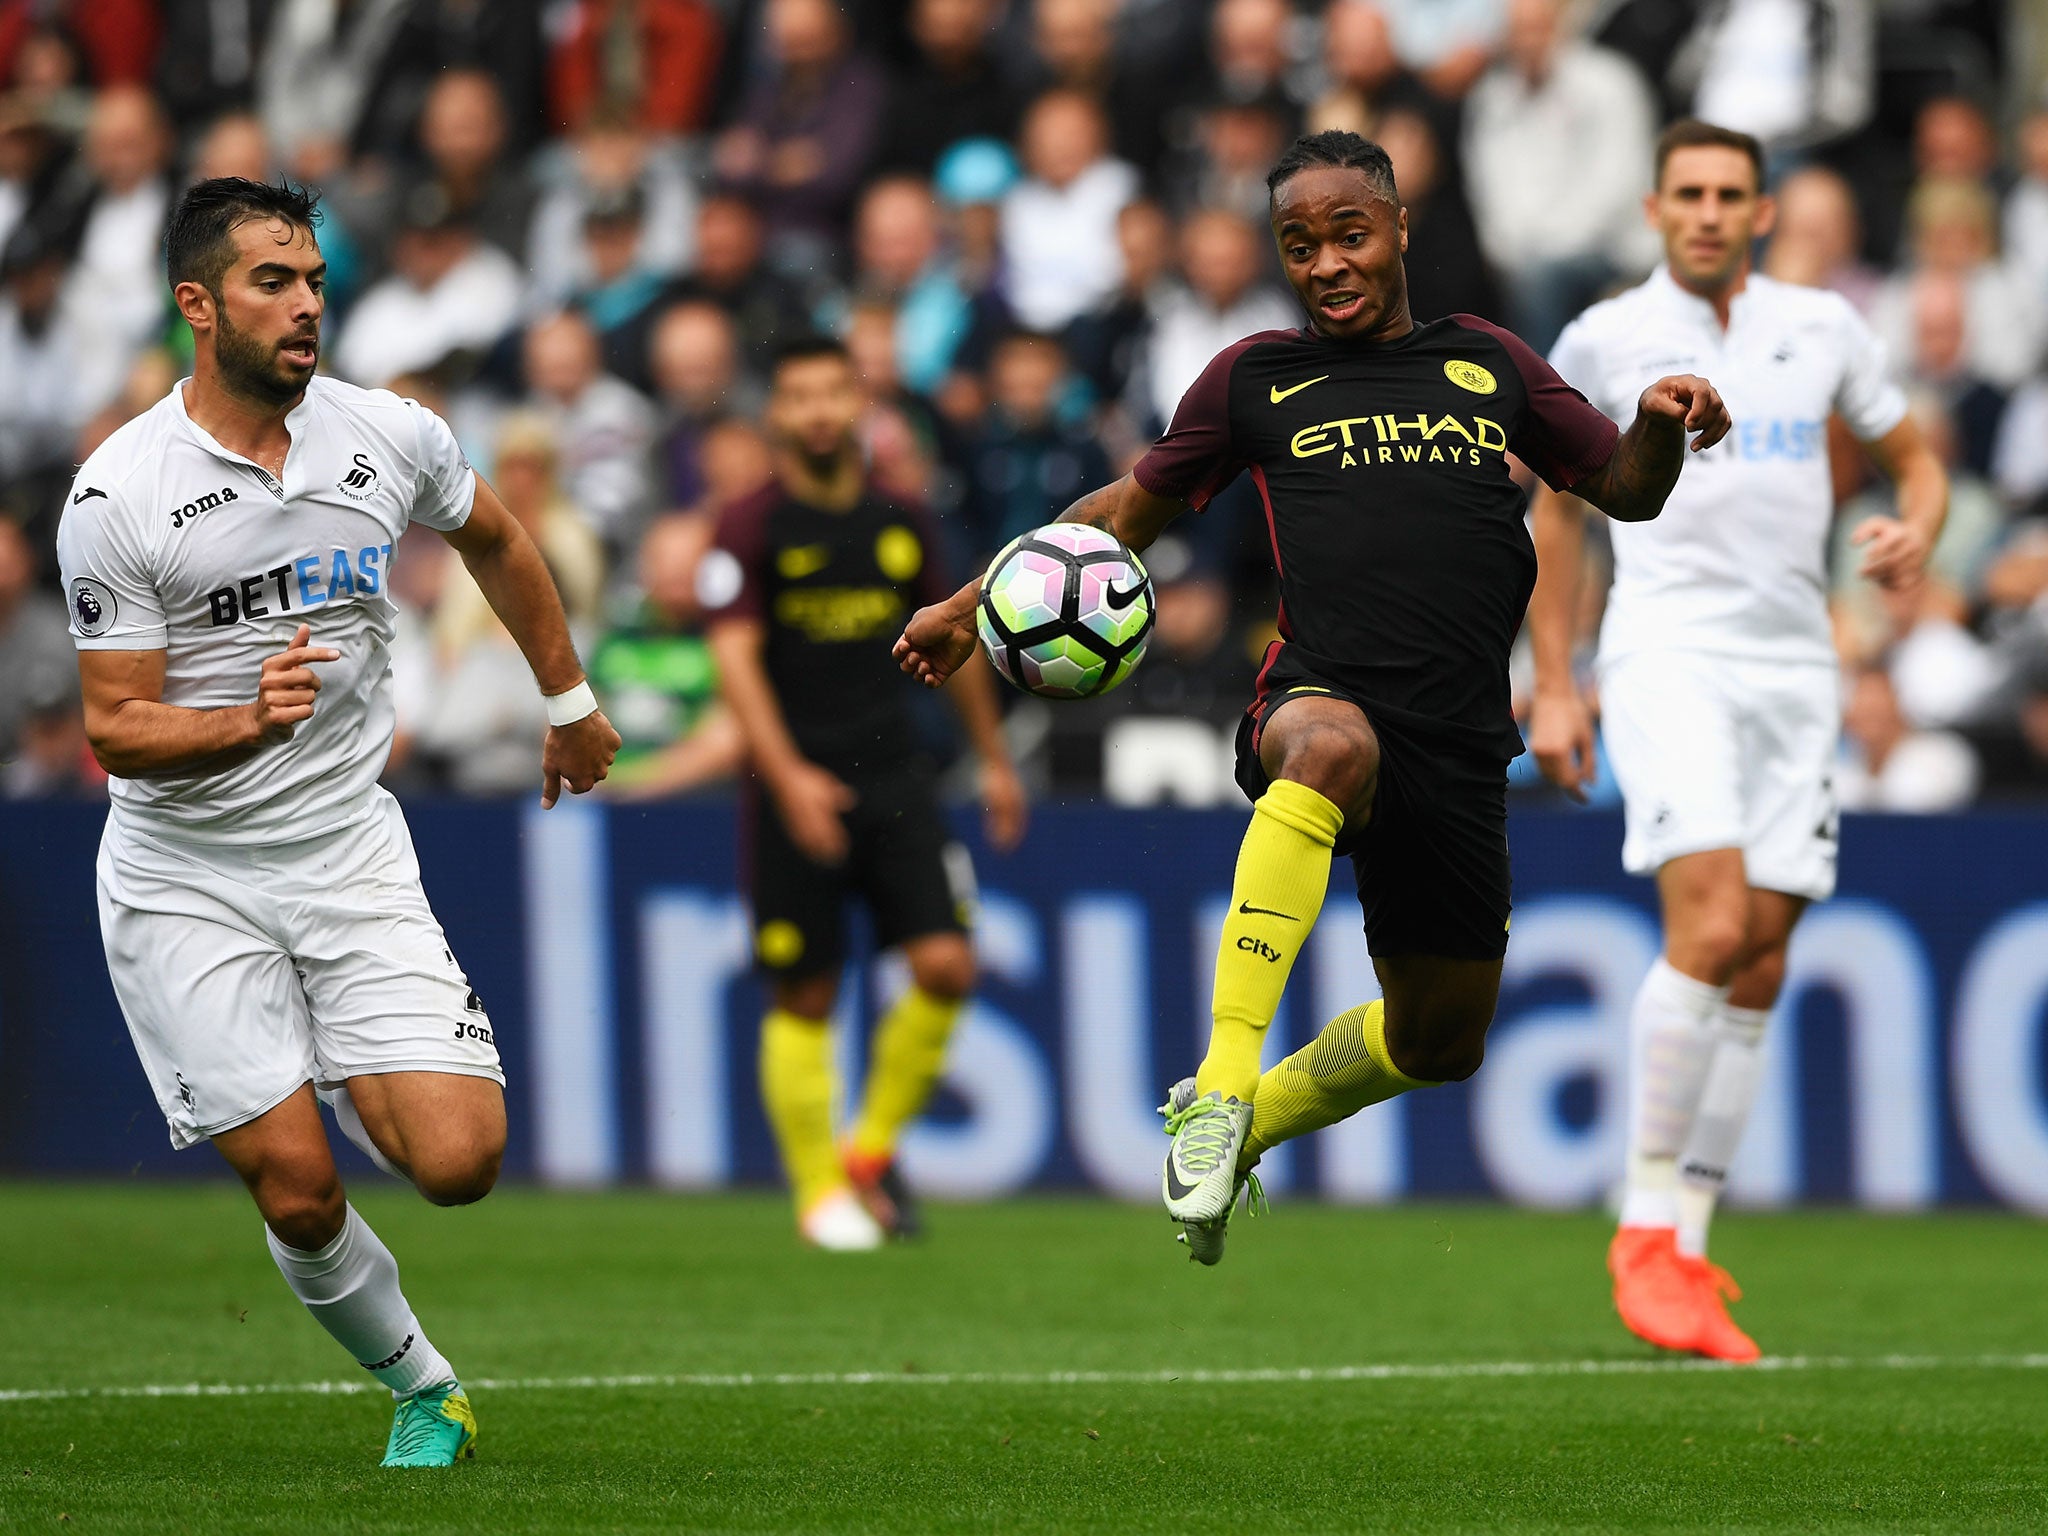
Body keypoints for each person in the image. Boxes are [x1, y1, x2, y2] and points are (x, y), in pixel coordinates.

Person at [895, 129, 1729, 1267]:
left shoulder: (1485, 361)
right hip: (1317, 696)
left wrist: (1656, 419)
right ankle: (1224, 1077)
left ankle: (1244, 1122)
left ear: (1394, 229)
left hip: (1458, 744)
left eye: (1346, 234)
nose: (1325, 262)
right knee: (1326, 747)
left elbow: (1625, 493)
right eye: (1299, 244)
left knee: (1438, 1041)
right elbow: (1115, 519)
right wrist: (965, 600)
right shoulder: (1254, 379)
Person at [55, 177, 620, 1466]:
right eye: (272, 282)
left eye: (313, 279)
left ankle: (341, 1046)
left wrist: (569, 699)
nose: (306, 304)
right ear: (197, 305)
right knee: (302, 1189)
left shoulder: (386, 435)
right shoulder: (116, 495)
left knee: (460, 1159)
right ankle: (429, 1389)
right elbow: (115, 728)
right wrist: (241, 723)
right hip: (187, 874)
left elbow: (500, 537)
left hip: (348, 850)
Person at [1527, 120, 1947, 1362]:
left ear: (1760, 213)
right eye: (1687, 194)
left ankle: (1693, 1249)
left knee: (1759, 957)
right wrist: (1554, 680)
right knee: (1706, 929)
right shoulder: (1601, 340)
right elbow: (1555, 518)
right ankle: (1639, 1225)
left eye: (1729, 195)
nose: (1707, 213)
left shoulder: (1820, 326)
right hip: (1665, 652)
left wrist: (1912, 527)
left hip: (1792, 665)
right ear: (1654, 210)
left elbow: (1910, 460)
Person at [701, 336, 1027, 1250]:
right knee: (805, 993)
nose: (814, 412)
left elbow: (952, 639)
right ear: (775, 412)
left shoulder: (905, 518)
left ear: (859, 404)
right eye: (796, 395)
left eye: (830, 394)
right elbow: (733, 657)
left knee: (946, 967)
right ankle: (817, 1196)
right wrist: (787, 774)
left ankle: (868, 1154)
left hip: (895, 781)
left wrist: (993, 757)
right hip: (790, 785)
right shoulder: (749, 525)